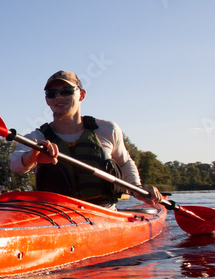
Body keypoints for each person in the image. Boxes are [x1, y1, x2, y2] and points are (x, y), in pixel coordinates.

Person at [9, 71, 163, 207]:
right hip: (57, 215)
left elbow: (124, 162)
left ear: (81, 94)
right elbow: (15, 165)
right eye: (52, 93)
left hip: (104, 213)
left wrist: (136, 187)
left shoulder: (108, 130)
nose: (59, 97)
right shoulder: (36, 138)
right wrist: (32, 157)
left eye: (66, 91)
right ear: (47, 100)